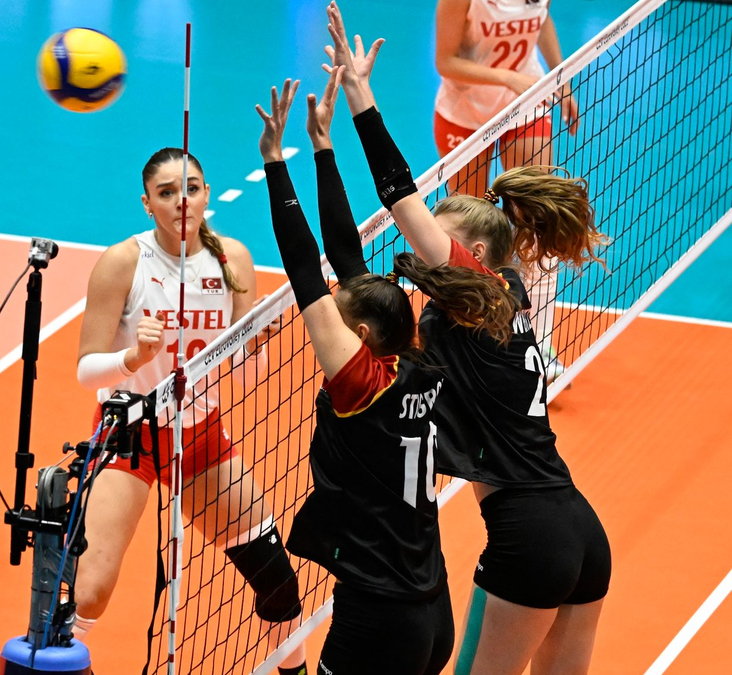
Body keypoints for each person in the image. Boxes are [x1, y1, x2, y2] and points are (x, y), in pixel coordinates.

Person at [329, 4, 610, 673]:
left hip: (530, 538)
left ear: (473, 250)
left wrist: (361, 98)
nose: (429, 234)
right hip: (579, 523)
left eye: (445, 228)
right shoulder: (510, 291)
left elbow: (401, 197)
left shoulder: (476, 285)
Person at [258, 62, 511, 673]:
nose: (328, 319)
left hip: (378, 617)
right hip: (430, 604)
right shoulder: (415, 363)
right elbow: (347, 264)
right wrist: (321, 148)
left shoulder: (361, 383)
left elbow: (306, 274)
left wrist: (275, 164)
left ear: (361, 335)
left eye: (339, 319)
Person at [72, 146, 307, 674]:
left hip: (201, 437)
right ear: (147, 204)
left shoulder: (233, 260)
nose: (183, 200)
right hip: (129, 437)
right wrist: (134, 357)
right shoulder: (123, 262)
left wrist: (254, 346)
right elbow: (87, 368)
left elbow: (247, 377)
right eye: (166, 192)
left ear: (206, 193)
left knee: (277, 579)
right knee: (88, 594)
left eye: (193, 187)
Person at [434, 0, 580, 380]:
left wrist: (559, 77)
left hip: (526, 104)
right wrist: (506, 77)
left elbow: (542, 17)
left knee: (537, 224)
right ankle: (469, 336)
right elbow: (445, 62)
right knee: (469, 236)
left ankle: (538, 343)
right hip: (466, 114)